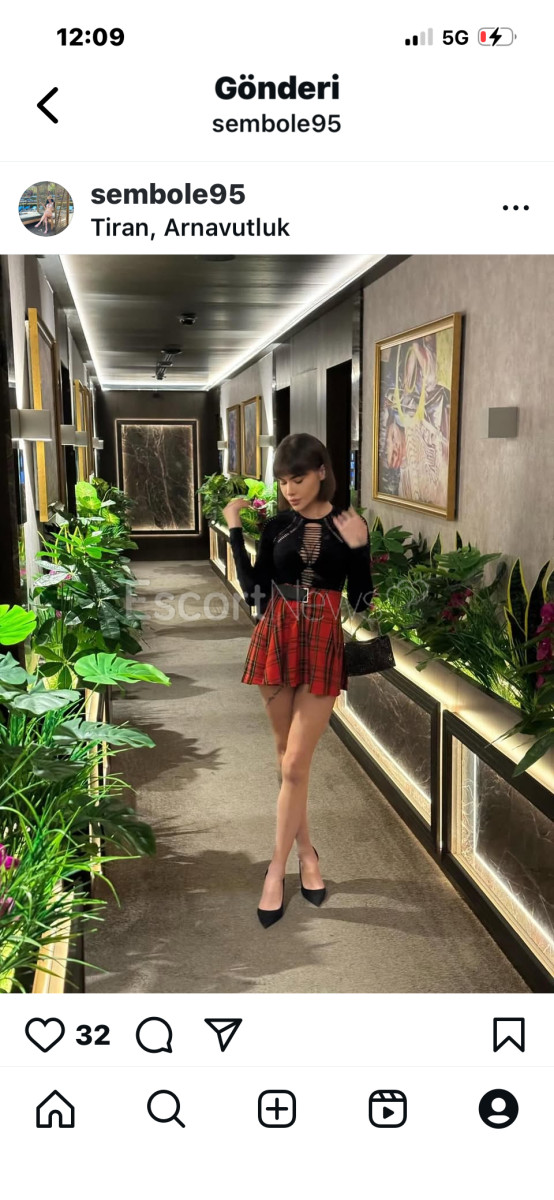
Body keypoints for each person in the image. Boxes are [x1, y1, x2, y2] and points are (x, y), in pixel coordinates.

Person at [223, 432, 374, 928]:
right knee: (288, 760)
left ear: (322, 473)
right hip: (277, 636)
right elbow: (255, 591)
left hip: (322, 643)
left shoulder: (348, 524)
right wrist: (234, 530)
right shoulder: (277, 526)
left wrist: (361, 549)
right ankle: (308, 855)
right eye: (284, 481)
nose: (289, 490)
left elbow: (362, 601)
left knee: (293, 766)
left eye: (299, 479)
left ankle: (276, 869)